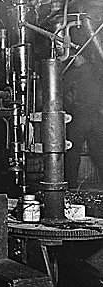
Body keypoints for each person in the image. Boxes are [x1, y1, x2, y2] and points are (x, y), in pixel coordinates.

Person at [62, 54, 103, 188]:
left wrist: (69, 107)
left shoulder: (74, 72)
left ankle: (71, 185)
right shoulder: (96, 70)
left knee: (72, 152)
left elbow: (62, 92)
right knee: (99, 153)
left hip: (80, 115)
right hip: (94, 116)